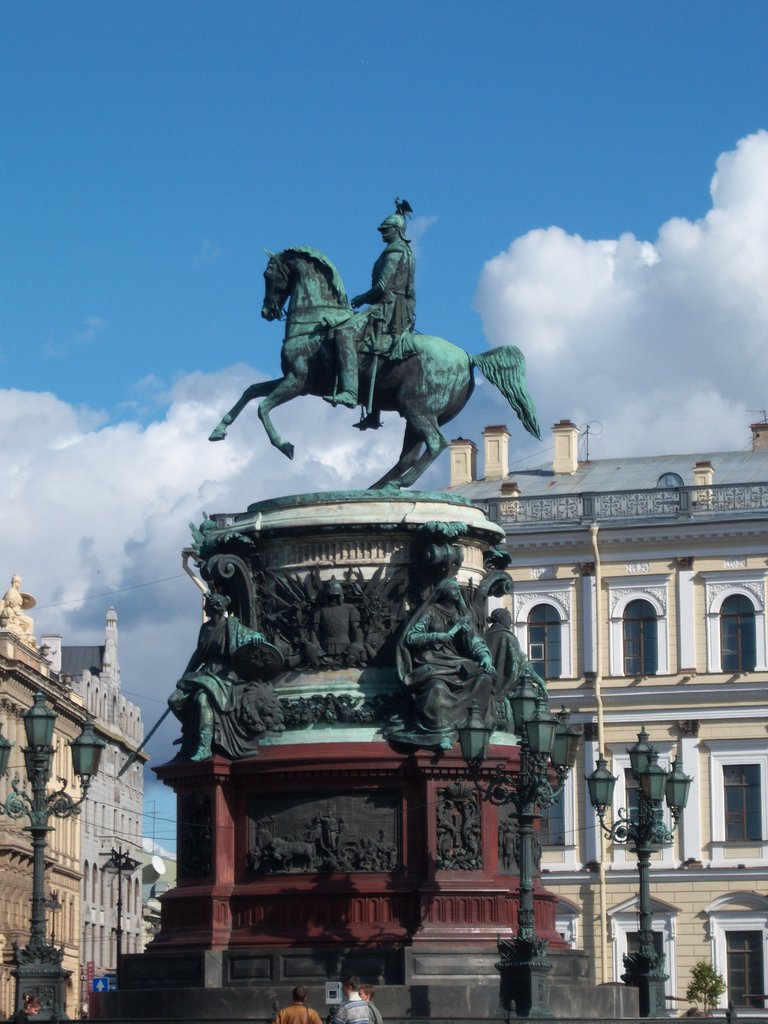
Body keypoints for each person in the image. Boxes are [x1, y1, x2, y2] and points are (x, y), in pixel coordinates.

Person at [324, 199, 416, 415]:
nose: (382, 234)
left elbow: (382, 288)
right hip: (398, 308)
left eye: (385, 230)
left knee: (344, 333)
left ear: (396, 230)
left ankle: (350, 392)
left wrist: (360, 298)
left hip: (387, 308)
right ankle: (373, 409)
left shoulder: (394, 253)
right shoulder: (406, 252)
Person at [390, 577, 495, 750]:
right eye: (452, 588)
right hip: (433, 661)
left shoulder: (462, 617)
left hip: (456, 663)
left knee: (485, 679)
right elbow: (411, 637)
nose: (456, 591)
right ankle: (441, 734)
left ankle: (474, 728)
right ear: (443, 592)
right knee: (437, 689)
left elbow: (474, 640)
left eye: (457, 589)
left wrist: (484, 656)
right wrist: (436, 636)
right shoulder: (431, 611)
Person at [168, 591, 274, 760]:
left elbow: (253, 635)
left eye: (207, 605)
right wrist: (185, 675)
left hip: (226, 675)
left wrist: (257, 638)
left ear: (216, 608)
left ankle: (205, 746)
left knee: (203, 699)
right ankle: (192, 731)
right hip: (207, 673)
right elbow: (198, 654)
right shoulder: (205, 628)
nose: (205, 607)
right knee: (174, 700)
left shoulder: (232, 626)